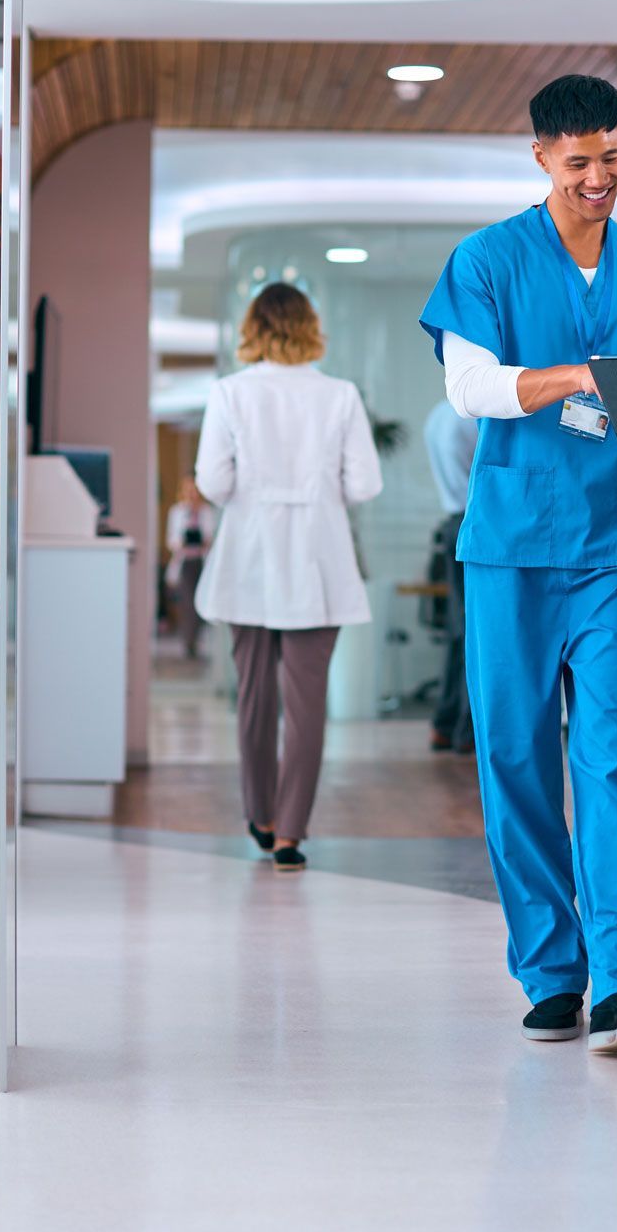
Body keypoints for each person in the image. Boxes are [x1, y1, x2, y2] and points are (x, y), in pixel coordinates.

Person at [419, 74, 617, 1055]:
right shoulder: (487, 261)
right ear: (541, 157)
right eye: (580, 162)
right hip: (512, 551)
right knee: (517, 758)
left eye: (614, 158)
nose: (600, 179)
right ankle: (551, 968)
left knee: (613, 756)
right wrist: (577, 375)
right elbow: (473, 388)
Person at [194, 282, 383, 872]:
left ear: (253, 327)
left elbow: (213, 485)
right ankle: (291, 834)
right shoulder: (341, 396)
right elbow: (364, 486)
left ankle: (261, 813)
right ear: (309, 327)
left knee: (253, 698)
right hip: (317, 561)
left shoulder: (228, 393)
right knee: (307, 705)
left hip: (248, 557)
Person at [422, 397, 479, 754]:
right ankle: (465, 729)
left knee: (462, 631)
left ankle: (445, 723)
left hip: (451, 522)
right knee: (476, 631)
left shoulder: (438, 415)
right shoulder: (471, 416)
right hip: (475, 521)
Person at [163, 477, 216, 659]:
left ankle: (196, 640)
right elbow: (171, 540)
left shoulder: (207, 511)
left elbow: (211, 537)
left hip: (201, 562)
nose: (192, 495)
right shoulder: (177, 512)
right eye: (188, 490)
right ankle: (188, 642)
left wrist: (203, 542)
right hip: (185, 562)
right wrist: (183, 542)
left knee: (200, 604)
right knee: (186, 604)